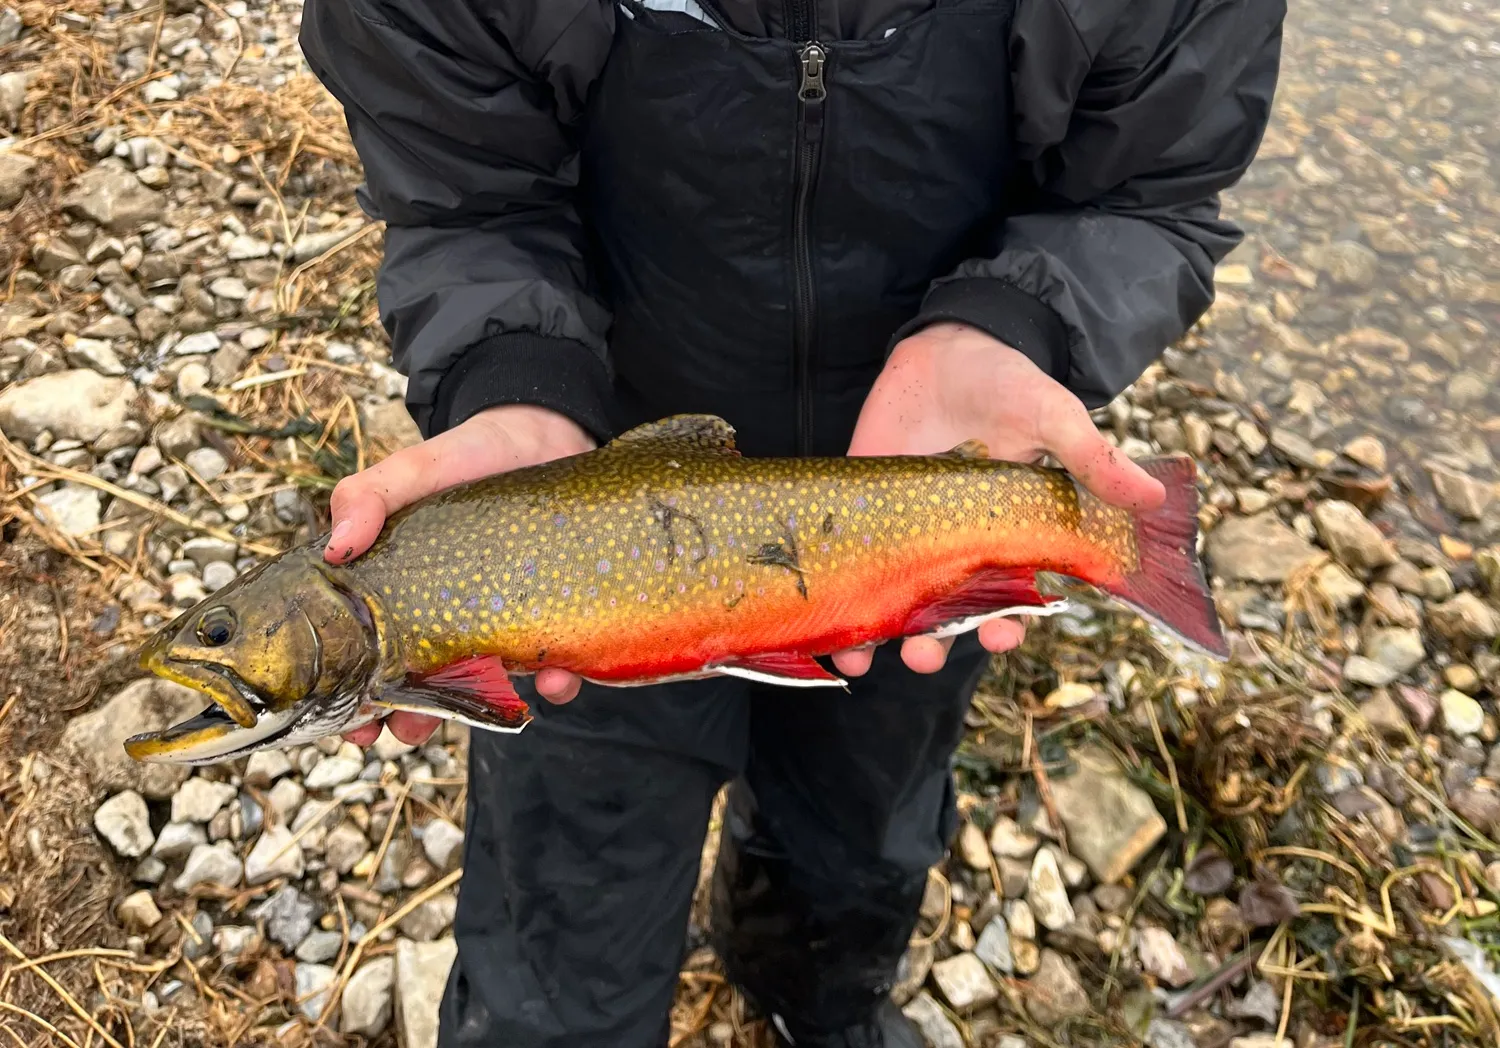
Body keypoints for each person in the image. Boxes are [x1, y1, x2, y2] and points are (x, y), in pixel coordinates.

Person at [299, 0, 1283, 1044]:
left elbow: (1149, 187)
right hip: (589, 493)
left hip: (925, 484)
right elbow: (464, 196)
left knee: (856, 843)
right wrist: (513, 377)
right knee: (568, 897)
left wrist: (1018, 321)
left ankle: (799, 991)